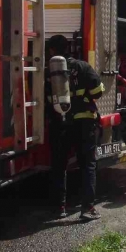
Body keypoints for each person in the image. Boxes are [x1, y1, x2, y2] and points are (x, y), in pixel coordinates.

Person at [46, 35, 105, 221]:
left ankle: (59, 208)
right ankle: (87, 208)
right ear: (69, 48)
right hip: (85, 123)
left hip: (61, 123)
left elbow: (45, 97)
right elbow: (98, 91)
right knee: (87, 165)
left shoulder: (50, 71)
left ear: (52, 51)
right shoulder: (82, 66)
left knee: (59, 165)